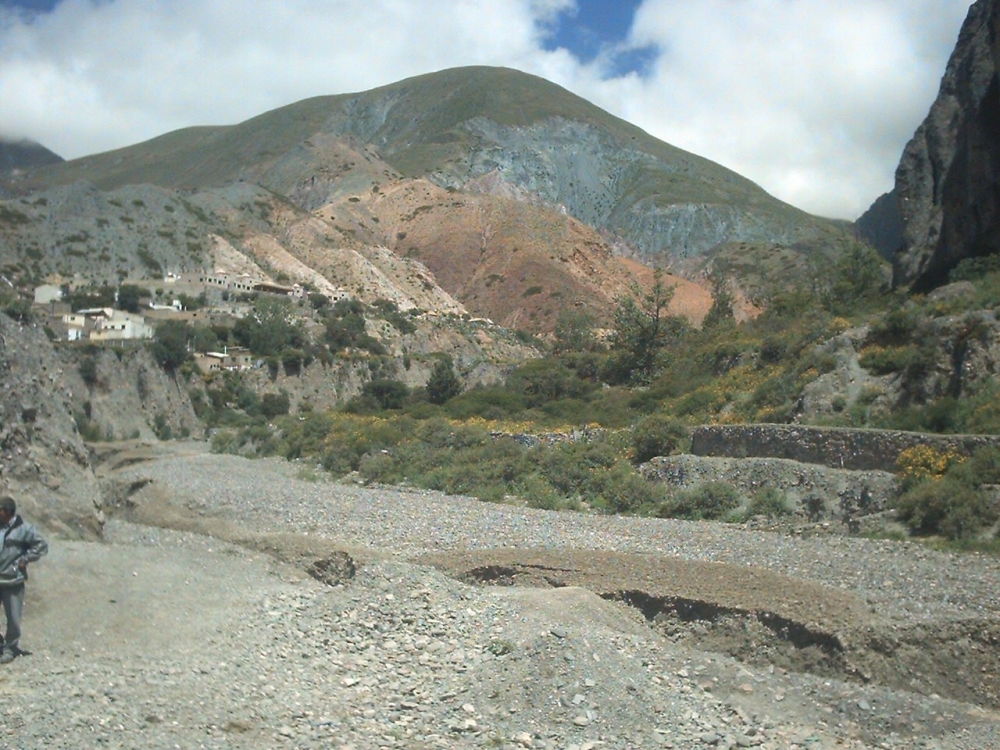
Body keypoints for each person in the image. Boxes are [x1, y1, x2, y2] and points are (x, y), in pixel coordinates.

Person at [0, 495, 48, 664]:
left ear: (7, 512)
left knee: (13, 617)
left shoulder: (24, 529)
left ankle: (10, 648)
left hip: (12, 580)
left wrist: (25, 559)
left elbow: (41, 545)